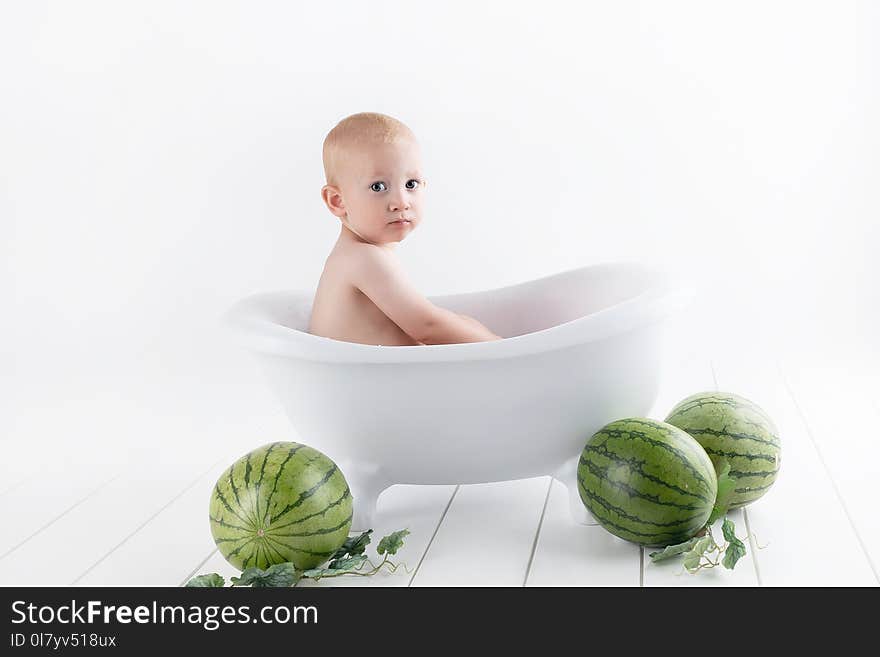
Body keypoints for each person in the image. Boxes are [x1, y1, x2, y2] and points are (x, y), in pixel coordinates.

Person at [308, 112, 503, 346]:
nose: (401, 202)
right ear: (338, 201)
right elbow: (427, 326)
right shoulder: (362, 258)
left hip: (383, 378)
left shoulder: (357, 254)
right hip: (374, 382)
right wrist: (503, 347)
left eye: (411, 184)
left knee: (464, 323)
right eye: (378, 186)